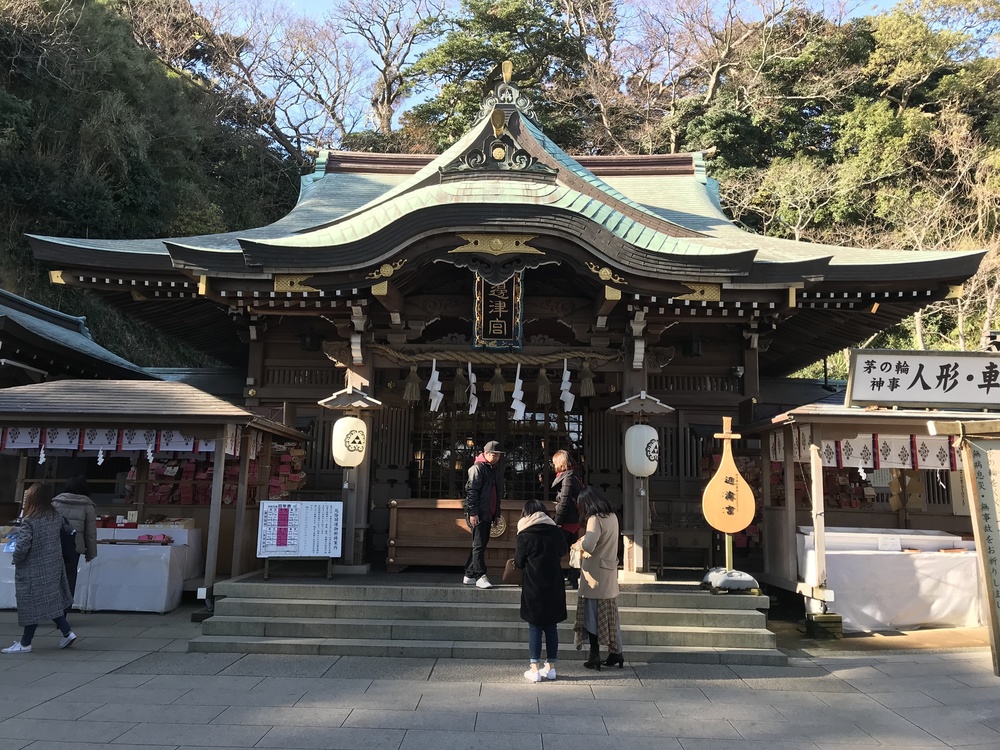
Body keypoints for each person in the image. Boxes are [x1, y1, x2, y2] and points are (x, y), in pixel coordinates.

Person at [2, 483, 76, 653]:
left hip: (32, 567)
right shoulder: (55, 516)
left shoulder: (30, 520)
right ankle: (67, 632)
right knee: (49, 601)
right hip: (53, 565)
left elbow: (23, 546)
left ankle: (25, 643)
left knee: (30, 604)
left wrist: (16, 559)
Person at [514, 499, 568, 682]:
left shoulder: (524, 534)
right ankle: (551, 668)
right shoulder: (555, 531)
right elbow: (563, 551)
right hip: (554, 584)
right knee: (551, 626)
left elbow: (519, 562)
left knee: (535, 627)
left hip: (533, 586)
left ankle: (534, 668)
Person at [572, 486, 623, 669]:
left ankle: (594, 656)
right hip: (609, 571)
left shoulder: (595, 519)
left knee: (592, 617)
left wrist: (579, 544)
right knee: (610, 617)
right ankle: (617, 653)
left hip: (595, 576)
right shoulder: (612, 516)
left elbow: (590, 545)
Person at [463, 440, 504, 589]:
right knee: (479, 545)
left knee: (479, 544)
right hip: (478, 513)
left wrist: (496, 514)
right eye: (495, 455)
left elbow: (495, 494)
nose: (497, 458)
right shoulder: (477, 468)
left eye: (499, 455)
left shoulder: (491, 469)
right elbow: (472, 492)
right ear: (486, 454)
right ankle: (480, 575)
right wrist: (473, 513)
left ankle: (469, 573)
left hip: (487, 513)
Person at [52, 474, 98, 605]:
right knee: (69, 577)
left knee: (52, 577)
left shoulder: (55, 503)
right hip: (74, 546)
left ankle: (50, 608)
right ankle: (64, 610)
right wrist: (91, 552)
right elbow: (90, 533)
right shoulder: (88, 505)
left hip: (55, 544)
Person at [550, 450, 583, 590]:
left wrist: (557, 522)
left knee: (554, 550)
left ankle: (555, 579)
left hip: (567, 521)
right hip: (574, 520)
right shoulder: (575, 476)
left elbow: (564, 501)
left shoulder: (568, 478)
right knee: (573, 551)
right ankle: (573, 579)